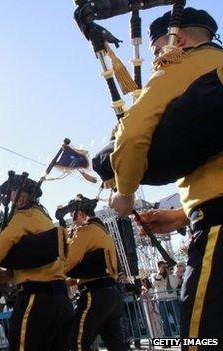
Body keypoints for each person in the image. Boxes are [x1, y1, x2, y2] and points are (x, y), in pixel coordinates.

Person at [108, 6, 223, 343]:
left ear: (179, 39)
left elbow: (130, 135)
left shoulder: (184, 63)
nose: (158, 57)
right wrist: (182, 214)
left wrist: (125, 194)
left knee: (204, 338)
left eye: (157, 50)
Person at [0, 172, 73, 351]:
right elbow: (36, 258)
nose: (9, 200)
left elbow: (3, 241)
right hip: (60, 298)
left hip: (37, 298)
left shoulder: (22, 218)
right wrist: (10, 275)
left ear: (21, 198)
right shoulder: (44, 219)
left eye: (12, 194)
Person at [61, 195, 126, 351]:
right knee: (116, 345)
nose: (73, 221)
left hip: (94, 295)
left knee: (76, 343)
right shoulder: (103, 232)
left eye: (73, 216)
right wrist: (73, 280)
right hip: (111, 294)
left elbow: (67, 262)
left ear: (82, 215)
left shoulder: (85, 230)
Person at [150, 261, 180, 337]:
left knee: (178, 319)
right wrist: (160, 273)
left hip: (173, 300)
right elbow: (155, 284)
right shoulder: (154, 275)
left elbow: (174, 285)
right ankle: (168, 340)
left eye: (164, 266)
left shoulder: (173, 275)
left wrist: (169, 274)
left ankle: (184, 338)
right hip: (161, 301)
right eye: (160, 266)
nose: (163, 268)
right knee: (165, 322)